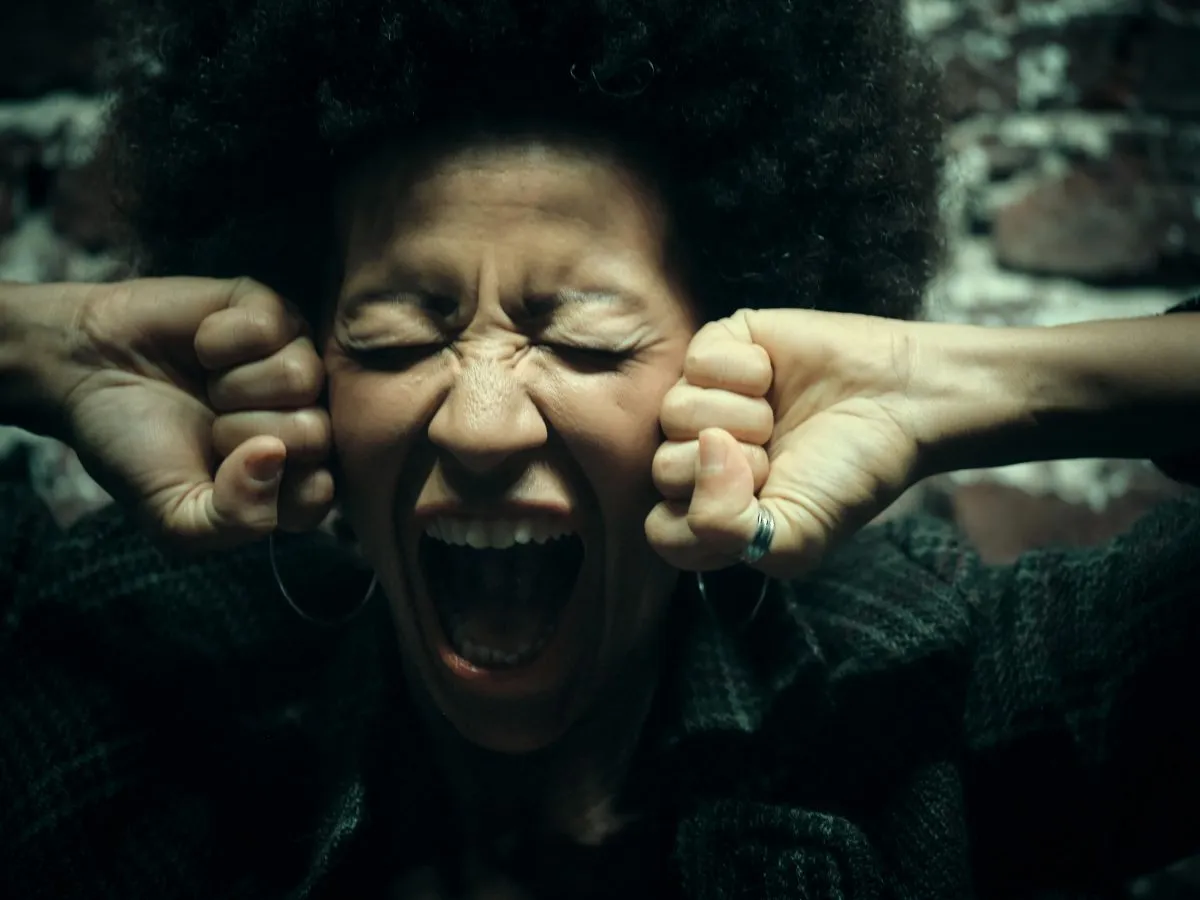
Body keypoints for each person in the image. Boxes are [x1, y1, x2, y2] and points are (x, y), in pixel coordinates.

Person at [1, 0, 1198, 897]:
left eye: (582, 341)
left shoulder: (919, 702)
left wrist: (998, 378)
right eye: (392, 336)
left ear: (734, 358)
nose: (479, 427)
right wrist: (34, 345)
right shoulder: (146, 675)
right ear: (307, 369)